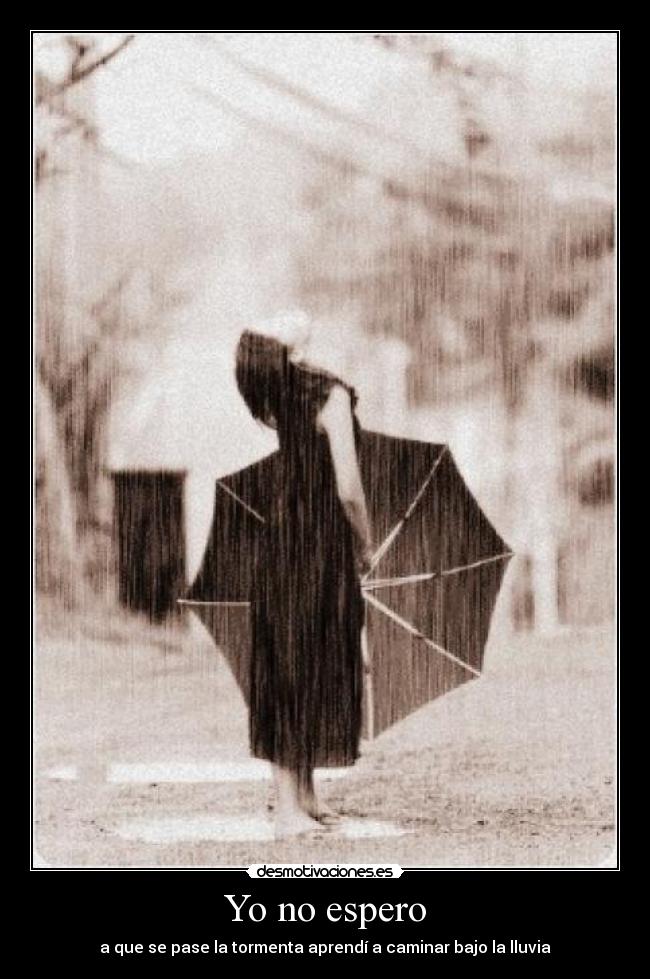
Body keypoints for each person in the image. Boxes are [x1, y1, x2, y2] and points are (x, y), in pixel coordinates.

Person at [235, 312, 373, 838]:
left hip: (283, 539)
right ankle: (288, 811)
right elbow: (348, 488)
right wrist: (365, 543)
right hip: (320, 544)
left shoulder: (278, 394)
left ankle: (306, 797)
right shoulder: (329, 395)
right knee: (309, 660)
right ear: (298, 347)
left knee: (292, 659)